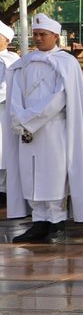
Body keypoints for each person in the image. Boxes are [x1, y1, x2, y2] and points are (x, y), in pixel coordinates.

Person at [3, 14, 83, 244]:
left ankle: (56, 222)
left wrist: (28, 119)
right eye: (35, 34)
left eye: (42, 35)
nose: (37, 38)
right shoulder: (24, 63)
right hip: (27, 132)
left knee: (54, 176)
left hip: (55, 129)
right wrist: (19, 119)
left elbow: (59, 98)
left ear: (55, 36)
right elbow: (15, 95)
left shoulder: (66, 63)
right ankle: (39, 221)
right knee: (31, 175)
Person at [0, 23, 18, 205]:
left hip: (3, 114)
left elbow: (7, 88)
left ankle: (3, 190)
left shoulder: (10, 60)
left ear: (6, 39)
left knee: (3, 152)